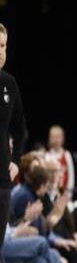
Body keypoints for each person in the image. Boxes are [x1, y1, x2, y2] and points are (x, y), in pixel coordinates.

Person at [0, 23, 27, 248]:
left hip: (2, 180)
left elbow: (20, 127)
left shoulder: (9, 83)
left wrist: (16, 160)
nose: (1, 52)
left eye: (3, 46)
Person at [47, 125, 75, 194]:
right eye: (53, 137)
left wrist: (69, 193)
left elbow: (71, 176)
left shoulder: (67, 155)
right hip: (51, 192)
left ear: (62, 138)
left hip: (65, 193)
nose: (56, 140)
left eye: (58, 137)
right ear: (49, 138)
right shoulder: (47, 156)